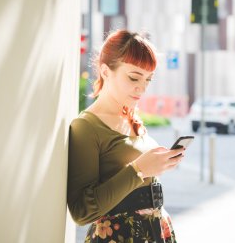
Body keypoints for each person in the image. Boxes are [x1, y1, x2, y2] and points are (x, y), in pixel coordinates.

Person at [67, 29, 185, 243]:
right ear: (105, 71)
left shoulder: (131, 116)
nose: (142, 87)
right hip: (120, 236)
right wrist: (139, 169)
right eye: (133, 77)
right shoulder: (86, 127)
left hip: (155, 230)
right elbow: (81, 211)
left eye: (148, 79)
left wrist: (160, 163)